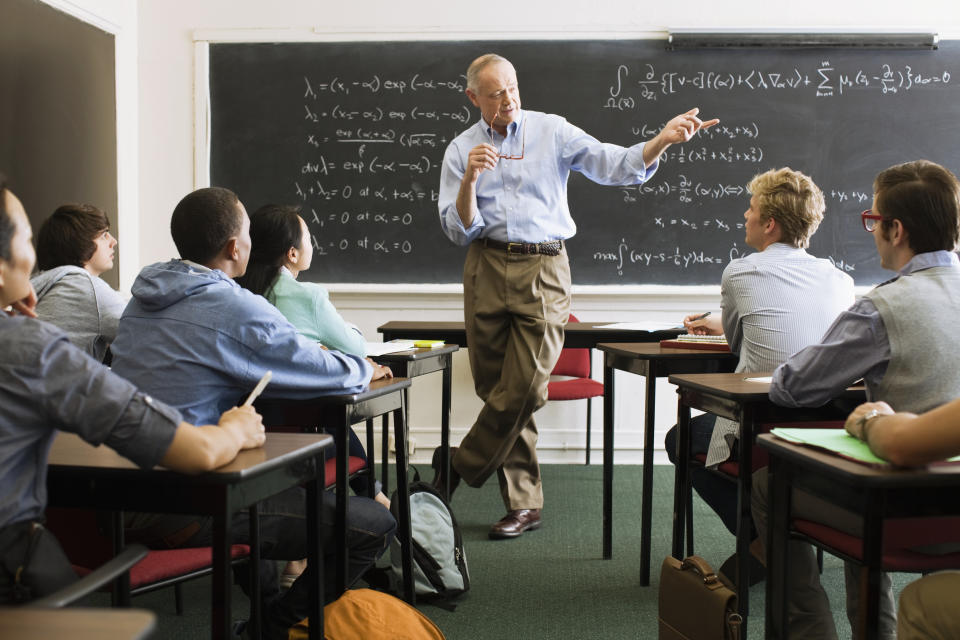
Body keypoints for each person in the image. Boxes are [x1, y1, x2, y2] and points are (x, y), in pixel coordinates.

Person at [436, 52, 718, 539]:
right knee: (496, 387)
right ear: (473, 98)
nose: (508, 100)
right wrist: (469, 181)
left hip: (543, 265)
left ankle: (456, 467)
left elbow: (614, 165)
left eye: (512, 87)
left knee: (525, 387)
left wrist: (662, 141)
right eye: (496, 92)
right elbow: (457, 229)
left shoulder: (552, 130)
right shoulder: (461, 149)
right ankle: (524, 504)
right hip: (484, 263)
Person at [109, 186, 396, 639]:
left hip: (111, 495)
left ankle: (265, 606)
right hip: (184, 499)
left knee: (260, 482)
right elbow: (324, 370)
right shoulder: (232, 306)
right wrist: (364, 367)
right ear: (233, 247)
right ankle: (266, 629)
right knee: (373, 525)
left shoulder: (141, 300)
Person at [0, 174, 265, 604]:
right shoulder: (31, 348)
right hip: (15, 580)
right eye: (26, 239)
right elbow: (195, 451)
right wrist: (235, 427)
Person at [753, 159, 960, 639]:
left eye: (872, 221)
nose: (871, 231)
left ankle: (816, 631)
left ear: (895, 229)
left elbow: (793, 387)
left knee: (771, 485)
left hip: (905, 511)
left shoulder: (881, 306)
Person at [663, 167, 854, 580]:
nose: (744, 217)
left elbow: (736, 340)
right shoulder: (841, 279)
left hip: (763, 423)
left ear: (769, 224)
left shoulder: (740, 271)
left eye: (750, 210)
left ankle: (766, 539)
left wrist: (723, 322)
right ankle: (781, 534)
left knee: (681, 439)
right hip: (827, 428)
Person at [236, 203, 390, 509]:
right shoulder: (307, 296)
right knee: (330, 406)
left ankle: (374, 494)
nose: (313, 244)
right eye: (308, 237)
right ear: (292, 254)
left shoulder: (236, 292)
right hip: (302, 422)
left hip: (248, 418)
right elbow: (355, 349)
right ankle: (375, 496)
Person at [30, 203, 125, 362]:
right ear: (81, 244)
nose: (113, 241)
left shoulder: (42, 283)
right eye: (104, 235)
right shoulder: (87, 288)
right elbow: (141, 336)